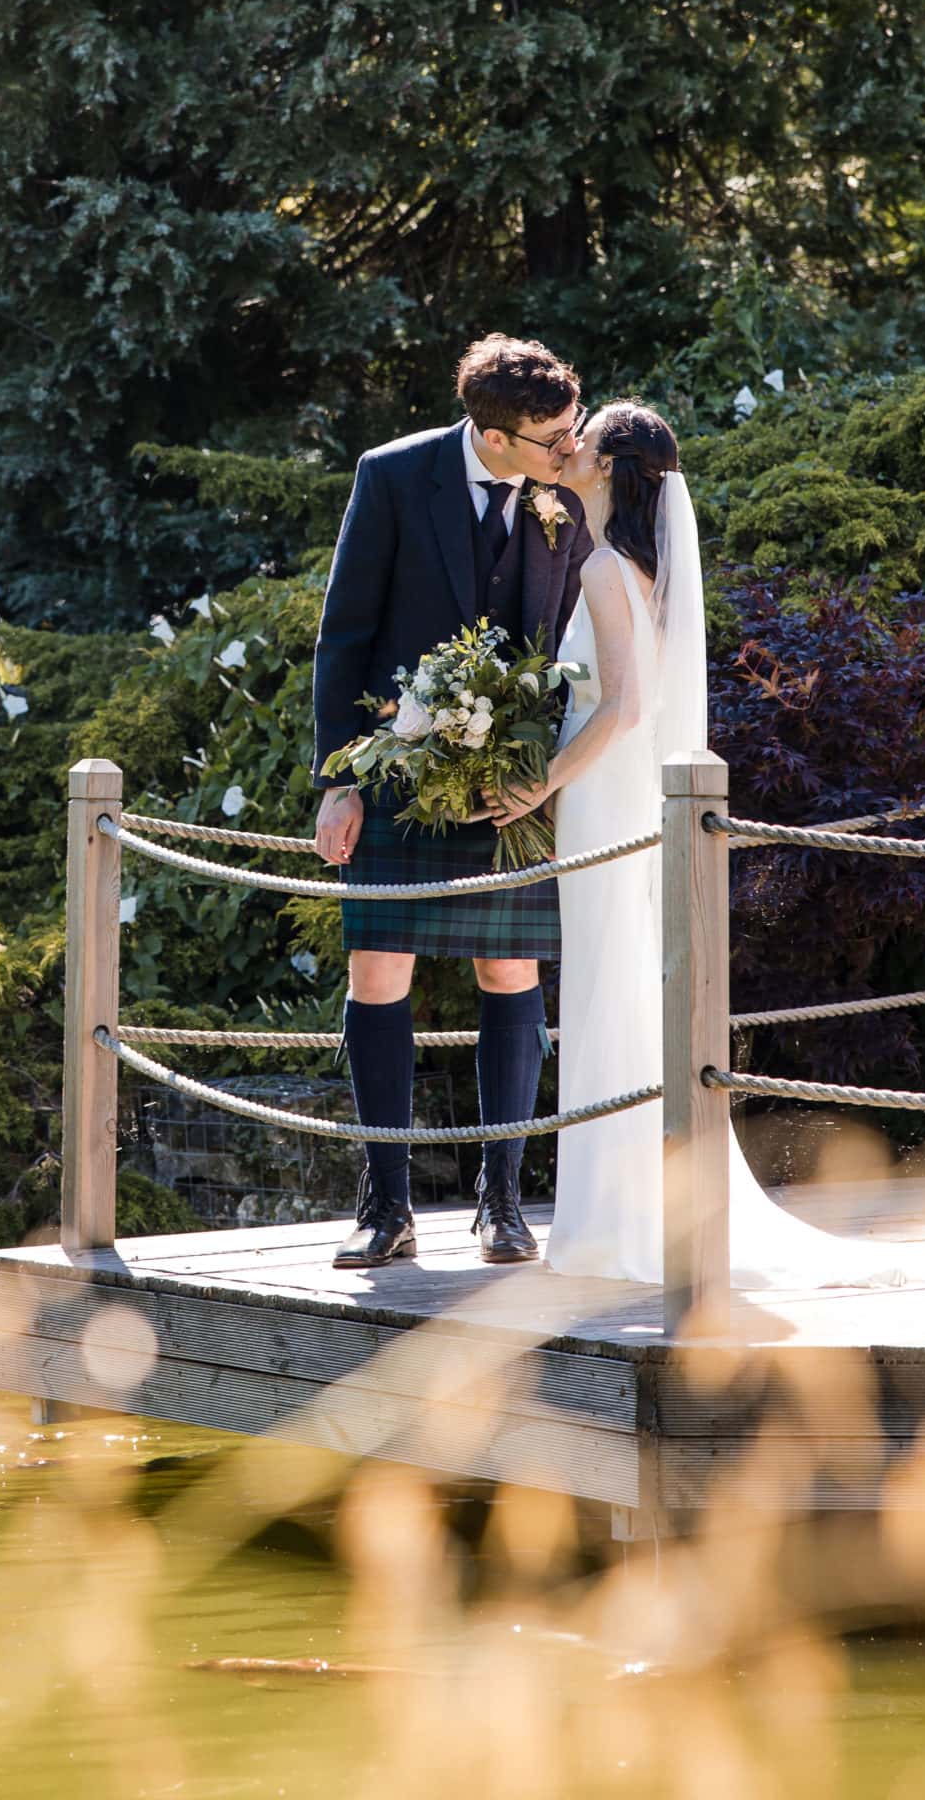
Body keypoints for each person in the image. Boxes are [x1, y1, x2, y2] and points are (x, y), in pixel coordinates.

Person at [487, 402, 904, 1289]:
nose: (570, 447)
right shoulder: (641, 569)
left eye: (583, 439)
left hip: (602, 795)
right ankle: (626, 1209)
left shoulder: (605, 568)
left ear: (609, 469)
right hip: (626, 792)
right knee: (623, 983)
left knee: (608, 985)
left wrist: (542, 780)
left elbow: (626, 706)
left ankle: (615, 1223)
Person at [312, 334, 592, 1269]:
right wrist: (339, 780)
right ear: (493, 434)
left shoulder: (570, 489)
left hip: (520, 776)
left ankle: (502, 1205)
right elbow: (344, 633)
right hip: (399, 766)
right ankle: (384, 1207)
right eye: (552, 436)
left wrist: (552, 768)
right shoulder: (394, 476)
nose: (571, 446)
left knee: (512, 974)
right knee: (377, 970)